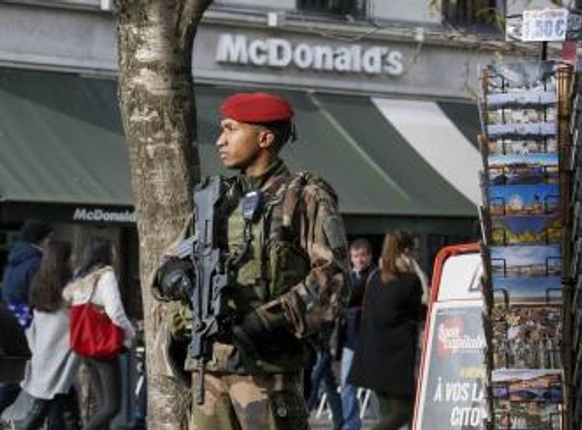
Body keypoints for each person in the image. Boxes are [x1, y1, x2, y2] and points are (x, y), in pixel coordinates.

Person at [155, 92, 350, 429]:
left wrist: (264, 321)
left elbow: (334, 280)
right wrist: (173, 276)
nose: (220, 140)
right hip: (209, 372)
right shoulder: (214, 200)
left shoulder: (302, 198)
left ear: (265, 138)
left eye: (231, 130)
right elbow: (168, 264)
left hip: (268, 376)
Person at [0, 220, 53, 429]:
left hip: (13, 323)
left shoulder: (13, 262)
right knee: (46, 379)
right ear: (41, 239)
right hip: (33, 326)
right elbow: (40, 296)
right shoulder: (37, 263)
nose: (50, 242)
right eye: (49, 238)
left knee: (17, 377)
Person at [348, 231, 426, 430]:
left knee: (387, 413)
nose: (417, 255)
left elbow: (350, 299)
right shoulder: (410, 281)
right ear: (407, 251)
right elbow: (419, 313)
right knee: (405, 412)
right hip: (395, 361)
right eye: (415, 251)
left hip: (372, 358)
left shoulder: (374, 278)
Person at [62, 237, 135, 430]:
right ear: (106, 254)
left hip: (85, 348)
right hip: (103, 347)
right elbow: (115, 312)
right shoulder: (106, 276)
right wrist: (130, 334)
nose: (116, 254)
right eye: (113, 250)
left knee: (103, 406)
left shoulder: (80, 278)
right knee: (113, 406)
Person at [18, 241, 81, 430]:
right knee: (52, 400)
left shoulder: (39, 283)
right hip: (63, 352)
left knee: (61, 400)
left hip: (43, 351)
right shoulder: (70, 285)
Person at [337, 238, 376, 430]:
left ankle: (382, 423)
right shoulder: (346, 278)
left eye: (362, 256)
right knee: (346, 385)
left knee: (377, 386)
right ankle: (351, 424)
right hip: (350, 340)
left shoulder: (376, 277)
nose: (359, 260)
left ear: (369, 257)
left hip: (372, 340)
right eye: (355, 256)